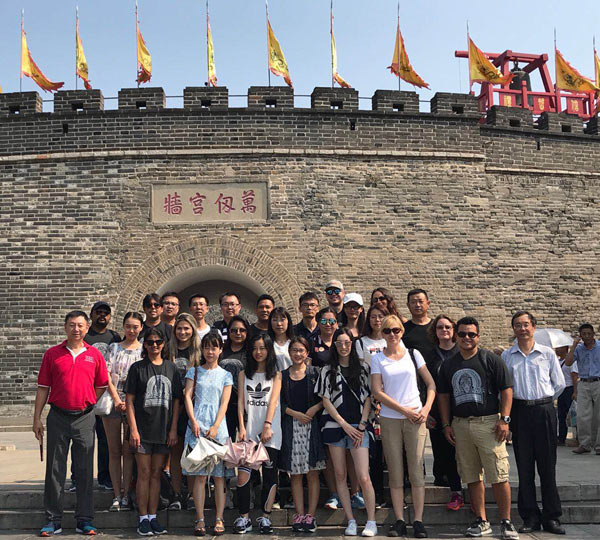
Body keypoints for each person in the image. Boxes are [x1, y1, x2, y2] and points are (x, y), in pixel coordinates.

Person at [437, 316, 517, 539]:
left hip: (488, 423)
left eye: (471, 334)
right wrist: (446, 423)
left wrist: (505, 419)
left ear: (478, 336)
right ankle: (481, 520)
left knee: (499, 474)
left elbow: (507, 389)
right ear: (456, 336)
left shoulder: (490, 359)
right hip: (461, 424)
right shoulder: (449, 364)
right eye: (462, 334)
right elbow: (443, 395)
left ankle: (506, 521)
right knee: (471, 475)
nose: (466, 338)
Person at [33, 310, 109, 536]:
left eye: (81, 325)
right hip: (57, 416)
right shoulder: (52, 354)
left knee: (84, 469)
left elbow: (102, 384)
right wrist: (36, 418)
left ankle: (84, 519)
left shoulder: (94, 354)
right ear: (65, 327)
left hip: (84, 417)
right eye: (72, 325)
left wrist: (88, 401)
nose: (76, 329)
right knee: (55, 469)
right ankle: (53, 519)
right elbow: (43, 388)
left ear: (87, 328)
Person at [371, 315, 435, 539]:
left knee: (417, 470)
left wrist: (425, 409)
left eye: (396, 330)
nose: (392, 335)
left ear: (401, 332)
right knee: (396, 471)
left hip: (416, 416)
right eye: (388, 331)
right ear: (382, 333)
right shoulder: (377, 358)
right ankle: (399, 519)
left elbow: (430, 384)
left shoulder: (413, 354)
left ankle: (418, 520)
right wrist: (403, 410)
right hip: (390, 418)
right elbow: (377, 391)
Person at [502, 311, 566, 535]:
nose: (522, 329)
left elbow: (558, 384)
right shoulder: (507, 356)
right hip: (520, 412)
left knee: (548, 466)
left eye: (526, 324)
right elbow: (505, 389)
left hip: (544, 410)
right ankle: (529, 515)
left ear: (534, 327)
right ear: (513, 329)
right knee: (525, 466)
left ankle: (552, 516)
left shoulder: (547, 354)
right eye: (517, 325)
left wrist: (542, 402)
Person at [317, 328, 377, 537]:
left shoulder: (362, 367)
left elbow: (369, 397)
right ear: (334, 345)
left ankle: (371, 520)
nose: (343, 346)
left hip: (360, 427)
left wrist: (361, 424)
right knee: (340, 475)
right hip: (335, 427)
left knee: (363, 476)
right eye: (339, 343)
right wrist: (343, 424)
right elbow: (325, 399)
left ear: (352, 344)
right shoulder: (327, 369)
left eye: (347, 342)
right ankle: (350, 519)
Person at [125, 328, 183, 536]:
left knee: (157, 474)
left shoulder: (171, 369)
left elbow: (177, 401)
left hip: (163, 429)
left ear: (164, 344)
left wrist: (174, 428)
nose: (155, 346)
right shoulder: (137, 368)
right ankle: (142, 517)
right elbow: (129, 400)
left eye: (158, 342)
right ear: (145, 345)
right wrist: (133, 429)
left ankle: (153, 516)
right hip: (142, 428)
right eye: (150, 342)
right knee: (143, 473)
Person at [183, 332, 233, 536]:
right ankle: (200, 518)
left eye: (214, 347)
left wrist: (216, 425)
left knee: (219, 477)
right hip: (197, 426)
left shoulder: (226, 374)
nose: (210, 351)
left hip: (218, 428)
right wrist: (194, 420)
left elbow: (225, 402)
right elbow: (187, 395)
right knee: (200, 476)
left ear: (220, 349)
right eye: (206, 347)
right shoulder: (194, 371)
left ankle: (219, 518)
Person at [235, 334, 282, 535]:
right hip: (249, 431)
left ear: (269, 350)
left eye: (262, 348)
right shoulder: (244, 374)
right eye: (255, 348)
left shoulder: (276, 375)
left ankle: (265, 516)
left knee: (270, 475)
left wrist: (268, 425)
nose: (258, 352)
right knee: (243, 476)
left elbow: (273, 402)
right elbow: (239, 404)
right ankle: (244, 517)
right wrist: (242, 427)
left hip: (271, 431)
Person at [279, 337, 326, 533]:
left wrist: (314, 409)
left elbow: (326, 397)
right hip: (292, 426)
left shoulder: (315, 373)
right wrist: (295, 413)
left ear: (307, 353)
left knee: (313, 472)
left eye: (301, 350)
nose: (298, 354)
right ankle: (299, 514)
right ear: (289, 353)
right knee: (295, 474)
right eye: (294, 350)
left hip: (311, 426)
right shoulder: (281, 375)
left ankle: (311, 515)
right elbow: (278, 403)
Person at [102, 312, 144, 512]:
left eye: (135, 326)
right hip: (113, 402)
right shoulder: (114, 348)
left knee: (129, 451)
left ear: (141, 328)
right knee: (114, 451)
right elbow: (106, 375)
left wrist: (128, 402)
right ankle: (116, 494)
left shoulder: (144, 349)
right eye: (128, 326)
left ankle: (127, 493)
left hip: (133, 406)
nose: (132, 330)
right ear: (123, 327)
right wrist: (118, 399)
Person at [424, 315, 464, 511]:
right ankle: (447, 483)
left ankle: (460, 487)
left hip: (461, 410)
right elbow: (423, 385)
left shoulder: (462, 353)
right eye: (440, 327)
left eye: (448, 327)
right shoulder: (429, 356)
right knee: (442, 449)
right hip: (436, 411)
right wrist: (426, 411)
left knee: (460, 451)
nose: (444, 330)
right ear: (435, 331)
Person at [84, 301, 121, 493]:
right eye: (98, 312)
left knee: (106, 439)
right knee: (83, 439)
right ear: (91, 315)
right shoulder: (85, 336)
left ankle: (105, 477)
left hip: (105, 394)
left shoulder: (114, 337)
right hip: (84, 392)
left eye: (106, 313)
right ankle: (78, 478)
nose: (102, 315)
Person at [167, 313, 203, 511]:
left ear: (192, 330)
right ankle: (176, 493)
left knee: (191, 453)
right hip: (172, 406)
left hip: (193, 407)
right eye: (179, 328)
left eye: (186, 328)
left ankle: (190, 494)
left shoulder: (198, 352)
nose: (183, 332)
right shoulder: (168, 351)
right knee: (175, 452)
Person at [564, 323, 600, 455]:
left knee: (598, 415)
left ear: (593, 334)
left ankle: (598, 444)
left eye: (589, 334)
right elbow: (568, 363)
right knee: (582, 415)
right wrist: (573, 347)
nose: (587, 336)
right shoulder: (579, 349)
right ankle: (585, 444)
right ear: (580, 336)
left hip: (598, 381)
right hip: (584, 383)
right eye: (584, 334)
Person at [402, 289, 435, 360]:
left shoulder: (437, 326)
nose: (417, 305)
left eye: (421, 301)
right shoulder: (402, 329)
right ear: (408, 305)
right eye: (413, 302)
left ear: (428, 303)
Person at [554, 345, 575, 446]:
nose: (557, 350)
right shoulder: (557, 361)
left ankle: (577, 437)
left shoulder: (570, 361)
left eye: (559, 348)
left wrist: (575, 391)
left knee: (573, 414)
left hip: (569, 389)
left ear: (565, 349)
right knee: (561, 415)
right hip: (561, 390)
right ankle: (561, 437)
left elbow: (574, 376)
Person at [268, 307, 294, 371]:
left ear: (288, 321)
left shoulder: (294, 343)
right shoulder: (266, 343)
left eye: (282, 320)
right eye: (275, 320)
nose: (279, 324)